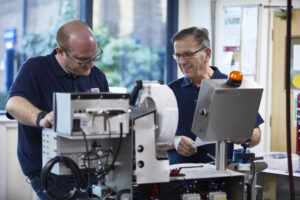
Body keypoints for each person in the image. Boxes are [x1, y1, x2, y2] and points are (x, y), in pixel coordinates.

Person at [5, 20, 109, 199]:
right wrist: (42, 118)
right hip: (49, 173)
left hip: (90, 171)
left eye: (94, 57)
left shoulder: (97, 76)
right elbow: (13, 104)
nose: (91, 65)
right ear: (60, 52)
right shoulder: (35, 68)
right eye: (83, 60)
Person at [166, 27, 264, 164]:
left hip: (220, 177)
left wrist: (244, 136)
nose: (182, 61)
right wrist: (175, 142)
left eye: (188, 54)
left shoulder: (231, 87)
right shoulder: (169, 91)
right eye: (178, 55)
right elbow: (152, 139)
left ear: (207, 53)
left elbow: (256, 135)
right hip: (180, 180)